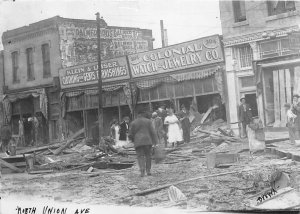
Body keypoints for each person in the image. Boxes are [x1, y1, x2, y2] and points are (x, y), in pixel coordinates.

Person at [128, 110, 158, 177]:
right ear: (143, 114)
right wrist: (155, 142)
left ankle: (142, 171)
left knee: (140, 156)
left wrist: (133, 140)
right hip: (147, 141)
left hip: (138, 142)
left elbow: (130, 134)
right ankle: (148, 171)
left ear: (137, 115)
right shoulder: (148, 121)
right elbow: (153, 132)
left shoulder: (133, 122)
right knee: (148, 156)